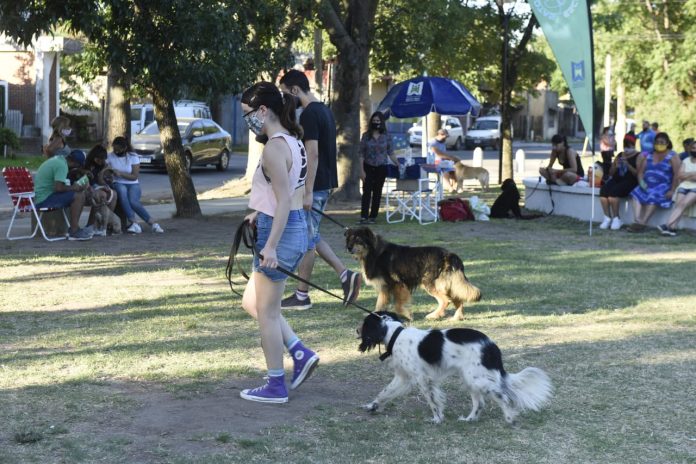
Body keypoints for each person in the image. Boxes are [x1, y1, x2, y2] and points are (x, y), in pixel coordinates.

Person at [238, 81, 318, 404]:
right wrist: (259, 213)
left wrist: (270, 245)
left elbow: (284, 201)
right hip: (291, 226)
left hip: (281, 231)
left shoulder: (273, 148)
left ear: (262, 110)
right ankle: (299, 352)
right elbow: (284, 195)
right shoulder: (291, 141)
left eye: (248, 115)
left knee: (267, 313)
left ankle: (275, 384)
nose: (248, 122)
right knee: (252, 303)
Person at [278, 69, 361, 310]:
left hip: (317, 185)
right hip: (324, 182)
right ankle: (345, 276)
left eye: (286, 94)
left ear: (294, 90)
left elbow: (312, 154)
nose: (286, 101)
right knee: (310, 236)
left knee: (306, 240)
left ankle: (303, 295)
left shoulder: (310, 115)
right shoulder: (323, 110)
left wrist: (307, 190)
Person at [106, 136, 164, 234]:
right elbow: (106, 171)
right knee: (122, 190)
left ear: (125, 148)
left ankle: (153, 223)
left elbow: (134, 176)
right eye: (115, 149)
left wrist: (120, 173)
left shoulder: (133, 157)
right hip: (118, 183)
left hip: (132, 184)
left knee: (133, 201)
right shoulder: (110, 156)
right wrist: (110, 175)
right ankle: (134, 222)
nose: (116, 151)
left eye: (119, 149)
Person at [33, 148, 92, 240]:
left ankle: (74, 228)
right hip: (44, 200)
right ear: (76, 164)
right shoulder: (62, 166)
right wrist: (74, 187)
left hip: (44, 196)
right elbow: (58, 188)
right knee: (79, 196)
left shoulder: (58, 160)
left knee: (78, 194)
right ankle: (74, 230)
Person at [627, 132, 681, 232]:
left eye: (662, 142)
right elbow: (641, 173)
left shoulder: (673, 156)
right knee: (636, 192)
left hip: (663, 185)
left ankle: (643, 222)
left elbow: (677, 174)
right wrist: (641, 183)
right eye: (657, 142)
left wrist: (672, 190)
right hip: (647, 183)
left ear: (667, 143)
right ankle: (637, 220)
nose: (659, 144)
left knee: (653, 194)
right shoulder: (649, 155)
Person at [357, 111, 399, 224]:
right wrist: (361, 171)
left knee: (377, 192)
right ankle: (364, 216)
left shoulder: (387, 136)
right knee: (366, 191)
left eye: (378, 121)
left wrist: (397, 163)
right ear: (371, 122)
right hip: (368, 166)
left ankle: (373, 216)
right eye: (374, 121)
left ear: (382, 122)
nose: (376, 123)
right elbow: (361, 154)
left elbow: (391, 152)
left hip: (381, 167)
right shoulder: (366, 136)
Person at [598, 135, 639, 230]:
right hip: (617, 179)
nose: (627, 149)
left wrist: (628, 165)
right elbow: (611, 173)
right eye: (625, 146)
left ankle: (617, 218)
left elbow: (637, 173)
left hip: (630, 181)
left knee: (614, 193)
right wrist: (616, 166)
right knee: (604, 191)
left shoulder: (638, 156)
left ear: (633, 146)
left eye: (629, 146)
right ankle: (607, 217)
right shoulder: (620, 155)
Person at [658, 139, 696, 236]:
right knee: (678, 205)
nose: (694, 150)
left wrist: (686, 175)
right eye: (693, 148)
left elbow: (687, 176)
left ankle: (666, 225)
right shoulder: (686, 160)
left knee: (683, 204)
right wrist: (692, 174)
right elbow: (679, 175)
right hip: (684, 186)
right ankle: (672, 228)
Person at [84, 144, 118, 237]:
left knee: (114, 194)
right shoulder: (87, 164)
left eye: (103, 159)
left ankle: (105, 224)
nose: (101, 161)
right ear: (94, 157)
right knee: (101, 195)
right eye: (99, 159)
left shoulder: (103, 165)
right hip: (88, 187)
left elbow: (102, 181)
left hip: (99, 186)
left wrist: (103, 174)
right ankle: (91, 225)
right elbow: (86, 181)